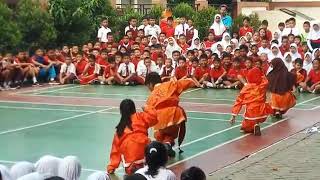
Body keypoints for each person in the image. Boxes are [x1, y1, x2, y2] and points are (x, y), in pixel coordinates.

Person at [144, 72, 196, 157]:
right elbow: (188, 82)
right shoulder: (171, 84)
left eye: (148, 87)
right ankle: (167, 145)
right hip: (175, 114)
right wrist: (191, 81)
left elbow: (149, 111)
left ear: (150, 84)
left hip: (160, 117)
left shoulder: (151, 96)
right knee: (171, 133)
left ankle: (165, 146)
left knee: (160, 133)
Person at [108, 99, 157, 175]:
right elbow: (153, 117)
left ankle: (132, 167)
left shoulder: (120, 128)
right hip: (145, 153)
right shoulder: (140, 116)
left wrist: (111, 167)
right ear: (134, 109)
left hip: (130, 160)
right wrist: (147, 108)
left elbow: (115, 150)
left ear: (121, 112)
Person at [230, 68, 273, 135]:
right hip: (262, 109)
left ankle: (252, 127)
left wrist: (234, 115)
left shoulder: (247, 87)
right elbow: (264, 79)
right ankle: (256, 124)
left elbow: (239, 101)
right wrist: (261, 74)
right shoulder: (263, 84)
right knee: (257, 118)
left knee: (246, 125)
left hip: (251, 109)